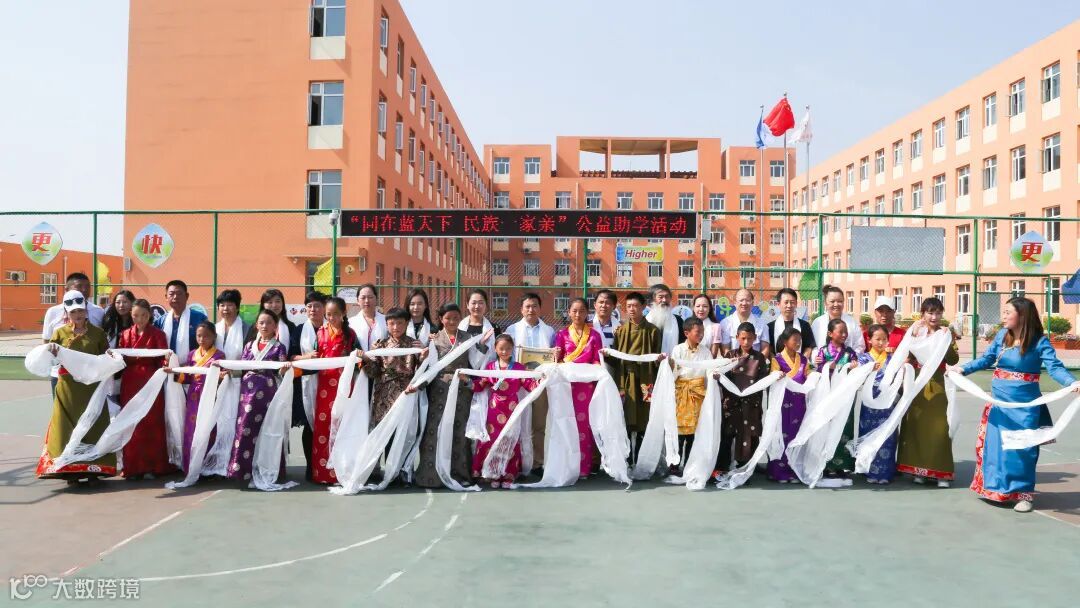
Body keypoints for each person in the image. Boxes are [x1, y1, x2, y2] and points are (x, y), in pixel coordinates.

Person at [951, 297, 1079, 512]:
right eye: (1004, 312)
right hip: (999, 404)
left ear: (1022, 315)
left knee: (1022, 450)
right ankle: (997, 489)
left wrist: (1071, 382)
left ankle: (1023, 495)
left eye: (1008, 312)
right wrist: (963, 369)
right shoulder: (1002, 336)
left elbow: (1055, 368)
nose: (1003, 316)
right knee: (996, 448)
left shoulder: (1039, 342)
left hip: (1025, 406)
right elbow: (987, 359)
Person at [36, 290, 115, 484]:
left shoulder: (98, 333)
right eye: (73, 312)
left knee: (94, 425)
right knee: (67, 427)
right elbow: (50, 359)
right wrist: (51, 351)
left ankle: (94, 470)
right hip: (68, 389)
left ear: (86, 310)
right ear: (67, 313)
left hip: (91, 389)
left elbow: (105, 358)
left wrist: (111, 357)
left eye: (80, 310)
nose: (78, 315)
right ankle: (69, 471)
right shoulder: (59, 333)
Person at [417, 304, 487, 488]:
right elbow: (430, 366)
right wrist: (419, 383)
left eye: (456, 318)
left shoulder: (468, 338)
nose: (452, 321)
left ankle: (460, 474)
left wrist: (481, 346)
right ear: (441, 319)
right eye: (448, 318)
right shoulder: (434, 339)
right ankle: (430, 475)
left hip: (462, 388)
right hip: (439, 389)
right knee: (434, 428)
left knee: (460, 429)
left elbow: (476, 362)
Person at [896, 297, 960, 488]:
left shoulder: (945, 333)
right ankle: (919, 470)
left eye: (938, 313)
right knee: (916, 426)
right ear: (922, 314)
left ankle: (941, 473)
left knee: (940, 429)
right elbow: (907, 357)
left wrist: (948, 341)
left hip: (938, 384)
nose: (934, 317)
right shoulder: (917, 333)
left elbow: (953, 360)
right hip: (917, 384)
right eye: (930, 313)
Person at [294, 297, 357, 485]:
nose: (332, 318)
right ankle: (321, 473)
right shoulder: (320, 333)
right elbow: (315, 357)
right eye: (329, 314)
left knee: (343, 427)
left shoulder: (350, 334)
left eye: (336, 314)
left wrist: (359, 356)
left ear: (343, 313)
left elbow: (358, 357)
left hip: (344, 387)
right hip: (323, 388)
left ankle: (342, 472)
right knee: (322, 428)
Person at [224, 309, 290, 483]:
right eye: (261, 322)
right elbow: (242, 365)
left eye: (269, 322)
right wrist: (227, 370)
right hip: (247, 392)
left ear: (275, 326)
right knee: (244, 427)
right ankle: (241, 471)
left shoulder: (279, 347)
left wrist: (284, 369)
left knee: (268, 429)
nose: (265, 326)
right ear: (256, 325)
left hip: (267, 391)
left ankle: (270, 470)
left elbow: (281, 370)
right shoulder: (249, 345)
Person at [467, 334, 540, 488]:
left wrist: (541, 380)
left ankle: (508, 474)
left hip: (512, 409)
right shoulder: (490, 367)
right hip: (494, 409)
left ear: (512, 349)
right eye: (501, 348)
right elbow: (480, 384)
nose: (504, 352)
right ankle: (493, 473)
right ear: (495, 349)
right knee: (492, 439)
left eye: (508, 348)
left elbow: (529, 384)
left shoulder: (519, 368)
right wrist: (466, 381)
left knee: (510, 440)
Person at [116, 298, 174, 480]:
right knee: (131, 423)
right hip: (130, 382)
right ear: (130, 315)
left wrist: (167, 363)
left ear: (150, 315)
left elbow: (163, 358)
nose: (139, 319)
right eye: (135, 315)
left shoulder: (158, 334)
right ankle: (133, 467)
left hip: (151, 381)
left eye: (143, 315)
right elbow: (120, 360)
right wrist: (113, 357)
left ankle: (153, 466)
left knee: (152, 422)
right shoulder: (124, 335)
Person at [553, 298, 605, 477]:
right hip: (567, 387)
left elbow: (597, 360)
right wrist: (556, 358)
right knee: (566, 423)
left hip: (586, 386)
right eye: (574, 311)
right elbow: (557, 360)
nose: (578, 314)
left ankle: (584, 467)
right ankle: (567, 466)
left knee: (584, 426)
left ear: (587, 313)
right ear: (569, 312)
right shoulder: (561, 334)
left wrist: (594, 370)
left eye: (582, 311)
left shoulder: (595, 335)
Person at [504, 293, 555, 475]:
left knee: (538, 425)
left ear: (540, 309)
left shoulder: (549, 331)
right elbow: (505, 355)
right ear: (521, 309)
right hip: (518, 384)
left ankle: (537, 463)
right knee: (517, 423)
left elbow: (553, 356)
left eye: (534, 306)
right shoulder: (511, 330)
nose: (531, 310)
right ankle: (516, 462)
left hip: (540, 383)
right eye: (527, 306)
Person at [608, 292, 662, 460]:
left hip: (646, 380)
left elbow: (656, 357)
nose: (632, 309)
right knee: (625, 417)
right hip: (625, 379)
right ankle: (626, 458)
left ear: (643, 307)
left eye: (635, 306)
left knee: (644, 418)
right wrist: (607, 355)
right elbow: (616, 357)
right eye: (629, 306)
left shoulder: (653, 331)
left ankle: (640, 457)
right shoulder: (621, 331)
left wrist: (658, 360)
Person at [166, 321, 224, 472]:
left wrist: (221, 376)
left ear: (214, 337)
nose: (202, 339)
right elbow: (187, 376)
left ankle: (207, 468)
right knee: (191, 429)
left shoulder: (219, 355)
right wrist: (174, 371)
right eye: (199, 336)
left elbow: (222, 377)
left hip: (210, 394)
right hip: (193, 395)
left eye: (206, 336)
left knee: (208, 428)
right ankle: (191, 465)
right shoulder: (192, 354)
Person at [715, 322, 769, 480]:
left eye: (750, 339)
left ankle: (745, 469)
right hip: (732, 403)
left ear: (755, 338)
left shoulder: (759, 358)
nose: (746, 342)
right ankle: (722, 467)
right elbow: (723, 377)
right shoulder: (730, 356)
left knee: (750, 435)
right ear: (737, 337)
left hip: (751, 403)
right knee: (727, 435)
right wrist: (718, 377)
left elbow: (762, 380)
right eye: (743, 338)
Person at [42, 273, 105, 393]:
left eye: (87, 286)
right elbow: (46, 341)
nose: (84, 290)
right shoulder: (52, 312)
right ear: (66, 289)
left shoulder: (98, 312)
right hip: (60, 374)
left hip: (90, 375)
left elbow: (101, 343)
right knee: (62, 405)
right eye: (79, 286)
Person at [363, 307, 424, 429]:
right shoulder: (381, 345)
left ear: (407, 323)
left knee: (403, 428)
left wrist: (422, 356)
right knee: (382, 428)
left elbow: (422, 371)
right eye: (391, 323)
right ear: (386, 325)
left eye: (400, 323)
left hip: (406, 391)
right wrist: (368, 357)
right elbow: (373, 373)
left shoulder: (415, 345)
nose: (396, 327)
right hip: (383, 393)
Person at [813, 318, 860, 478]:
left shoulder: (850, 352)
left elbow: (855, 372)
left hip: (844, 396)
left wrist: (854, 367)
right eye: (840, 332)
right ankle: (826, 464)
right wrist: (824, 365)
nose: (844, 334)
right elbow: (818, 371)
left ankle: (842, 464)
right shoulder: (823, 352)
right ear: (830, 333)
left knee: (844, 428)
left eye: (845, 331)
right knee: (826, 428)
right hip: (828, 395)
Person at [856, 324, 899, 484]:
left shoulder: (892, 359)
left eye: (884, 339)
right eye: (877, 339)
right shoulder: (863, 359)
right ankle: (869, 470)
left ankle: (886, 472)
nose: (881, 342)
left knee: (887, 435)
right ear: (869, 340)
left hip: (887, 403)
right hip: (869, 402)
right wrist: (867, 369)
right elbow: (858, 378)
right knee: (868, 433)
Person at [768, 328, 810, 483]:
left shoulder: (803, 360)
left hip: (799, 403)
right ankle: (778, 471)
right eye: (795, 340)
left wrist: (818, 374)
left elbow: (809, 374)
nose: (798, 343)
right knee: (780, 434)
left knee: (796, 435)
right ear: (785, 342)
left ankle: (794, 469)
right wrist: (777, 376)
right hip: (783, 403)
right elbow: (773, 377)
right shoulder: (777, 360)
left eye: (799, 340)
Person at [670, 317, 710, 473]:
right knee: (678, 432)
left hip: (698, 395)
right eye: (697, 332)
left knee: (694, 433)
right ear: (686, 333)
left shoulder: (705, 351)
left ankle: (689, 465)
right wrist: (672, 367)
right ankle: (674, 465)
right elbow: (674, 373)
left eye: (702, 332)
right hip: (681, 394)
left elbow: (708, 372)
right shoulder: (678, 350)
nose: (701, 335)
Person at [296, 290, 327, 480]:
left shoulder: (333, 328)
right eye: (309, 306)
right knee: (309, 425)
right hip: (306, 384)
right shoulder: (300, 330)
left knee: (329, 424)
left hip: (329, 383)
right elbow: (290, 355)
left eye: (317, 305)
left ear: (324, 308)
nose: (313, 309)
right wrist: (307, 357)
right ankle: (310, 466)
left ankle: (327, 466)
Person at [154, 279, 208, 361]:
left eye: (179, 293)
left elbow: (208, 343)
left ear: (187, 296)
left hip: (193, 366)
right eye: (171, 294)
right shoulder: (160, 321)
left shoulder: (200, 318)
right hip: (166, 366)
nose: (175, 297)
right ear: (166, 297)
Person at [714, 288, 770, 358]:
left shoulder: (762, 324)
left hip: (756, 363)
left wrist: (757, 362)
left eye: (748, 300)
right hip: (733, 362)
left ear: (752, 303)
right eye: (741, 300)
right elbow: (725, 349)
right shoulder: (725, 323)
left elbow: (765, 349)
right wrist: (735, 362)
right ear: (735, 303)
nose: (744, 303)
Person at [811, 285, 864, 356]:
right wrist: (818, 358)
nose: (836, 304)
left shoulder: (852, 322)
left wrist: (850, 358)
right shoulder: (817, 323)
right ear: (825, 303)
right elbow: (812, 346)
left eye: (840, 301)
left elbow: (860, 345)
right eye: (832, 301)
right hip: (822, 361)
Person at [766, 288, 815, 358]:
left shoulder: (804, 325)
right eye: (786, 302)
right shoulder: (770, 327)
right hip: (777, 364)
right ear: (778, 304)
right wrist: (776, 362)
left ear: (796, 304)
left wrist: (802, 362)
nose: (789, 305)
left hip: (799, 363)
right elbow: (769, 349)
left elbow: (809, 347)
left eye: (792, 302)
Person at [464, 288, 498, 368]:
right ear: (467, 305)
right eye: (473, 303)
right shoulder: (460, 328)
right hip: (463, 372)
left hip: (487, 373)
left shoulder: (494, 328)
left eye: (481, 303)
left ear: (486, 305)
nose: (477, 306)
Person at [646, 284, 683, 354]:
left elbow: (682, 344)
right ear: (653, 299)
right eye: (660, 297)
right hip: (650, 359)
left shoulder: (678, 320)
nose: (664, 300)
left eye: (667, 296)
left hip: (671, 359)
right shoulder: (645, 321)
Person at [352, 283, 387, 351]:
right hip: (358, 357)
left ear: (376, 299)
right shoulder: (351, 323)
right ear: (358, 301)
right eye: (363, 298)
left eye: (370, 297)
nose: (367, 301)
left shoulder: (385, 320)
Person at [214, 289, 246, 359]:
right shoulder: (214, 328)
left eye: (230, 305)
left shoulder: (247, 329)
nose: (225, 308)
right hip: (216, 365)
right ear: (218, 308)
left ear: (237, 308)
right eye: (222, 305)